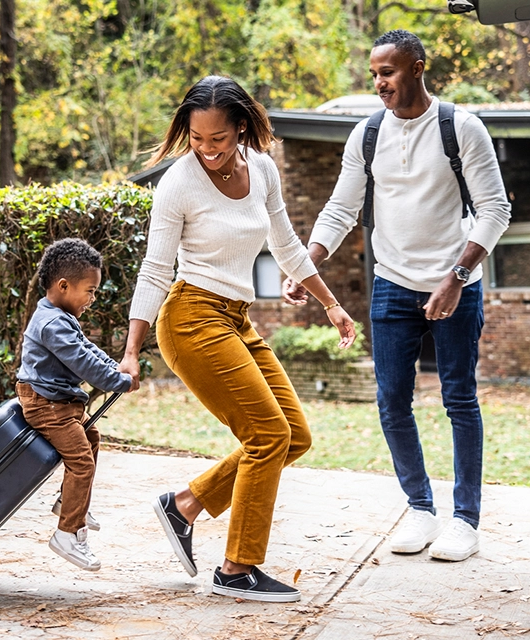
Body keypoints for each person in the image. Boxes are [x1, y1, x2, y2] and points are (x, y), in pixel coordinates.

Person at [118, 76, 356, 603]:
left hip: (235, 318)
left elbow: (287, 244)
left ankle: (184, 504)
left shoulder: (264, 169)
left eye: (218, 139)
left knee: (294, 435)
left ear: (241, 127)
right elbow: (155, 271)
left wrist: (331, 303)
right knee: (267, 436)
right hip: (189, 318)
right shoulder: (178, 183)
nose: (206, 149)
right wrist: (132, 352)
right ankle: (236, 570)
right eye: (197, 139)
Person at [283, 30, 511, 562]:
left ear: (417, 67)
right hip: (391, 285)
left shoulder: (461, 128)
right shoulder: (366, 136)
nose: (379, 83)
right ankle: (420, 508)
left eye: (387, 72)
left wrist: (456, 276)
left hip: (456, 283)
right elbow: (340, 211)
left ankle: (465, 520)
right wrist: (305, 262)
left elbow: (495, 210)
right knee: (391, 402)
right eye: (374, 75)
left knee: (459, 399)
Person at [17, 237, 138, 572]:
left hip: (58, 403)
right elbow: (81, 362)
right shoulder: (53, 323)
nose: (93, 298)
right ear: (64, 285)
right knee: (81, 462)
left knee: (91, 438)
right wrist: (119, 381)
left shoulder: (58, 316)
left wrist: (116, 367)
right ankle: (68, 533)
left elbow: (86, 349)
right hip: (46, 406)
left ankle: (71, 504)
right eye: (90, 290)